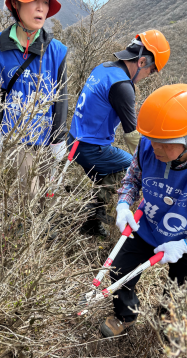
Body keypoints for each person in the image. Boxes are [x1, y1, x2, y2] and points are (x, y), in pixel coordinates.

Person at [100, 84, 187, 337]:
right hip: (147, 226)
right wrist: (122, 204)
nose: (155, 149)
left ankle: (166, 325)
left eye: (165, 144)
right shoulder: (147, 146)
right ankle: (126, 315)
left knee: (177, 289)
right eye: (152, 140)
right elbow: (132, 179)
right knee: (119, 272)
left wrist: (186, 244)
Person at [68, 30, 170, 236]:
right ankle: (92, 215)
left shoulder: (103, 68)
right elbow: (132, 136)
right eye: (151, 72)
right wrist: (153, 163)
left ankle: (91, 220)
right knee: (128, 167)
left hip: (73, 139)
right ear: (141, 62)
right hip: (90, 148)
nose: (146, 77)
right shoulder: (122, 86)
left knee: (107, 175)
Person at [0, 0, 68, 204]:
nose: (41, 8)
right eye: (34, 0)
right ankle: (20, 230)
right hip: (16, 136)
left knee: (48, 195)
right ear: (16, 4)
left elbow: (61, 97)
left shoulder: (57, 51)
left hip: (48, 136)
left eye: (46, 1)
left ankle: (41, 232)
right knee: (27, 196)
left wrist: (58, 139)